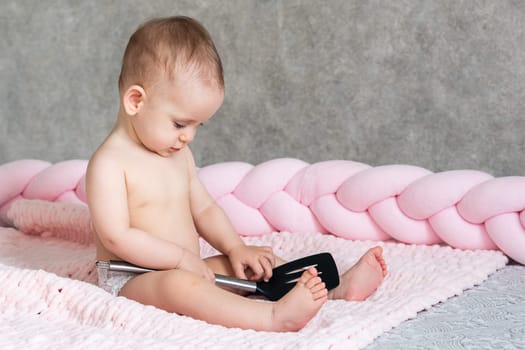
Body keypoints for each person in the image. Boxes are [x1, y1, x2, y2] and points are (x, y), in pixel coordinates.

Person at [86, 16, 387, 332]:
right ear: (136, 101)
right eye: (179, 124)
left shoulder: (178, 153)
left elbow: (204, 209)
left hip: (188, 265)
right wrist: (177, 260)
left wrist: (235, 248)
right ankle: (271, 318)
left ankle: (336, 290)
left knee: (253, 266)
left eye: (196, 125)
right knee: (179, 288)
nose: (189, 136)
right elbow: (115, 236)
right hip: (135, 278)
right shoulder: (109, 163)